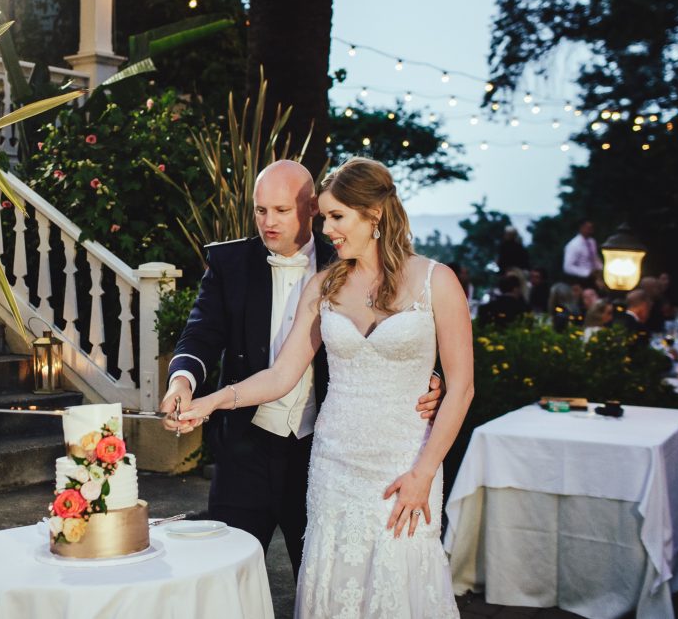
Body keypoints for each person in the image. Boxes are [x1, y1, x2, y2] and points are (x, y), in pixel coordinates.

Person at [177, 157, 471, 617]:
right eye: (324, 216)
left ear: (373, 215)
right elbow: (280, 375)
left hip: (403, 463)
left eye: (337, 217)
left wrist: (424, 472)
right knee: (333, 587)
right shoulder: (324, 285)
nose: (327, 227)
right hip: (333, 464)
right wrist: (208, 401)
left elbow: (462, 386)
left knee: (400, 583)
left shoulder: (439, 281)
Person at [563, 219, 602, 285]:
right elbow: (567, 267)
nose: (591, 231)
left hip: (595, 278)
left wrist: (601, 269)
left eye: (592, 228)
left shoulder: (592, 242)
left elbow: (595, 258)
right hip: (580, 279)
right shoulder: (573, 245)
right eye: (588, 228)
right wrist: (587, 273)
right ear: (581, 228)